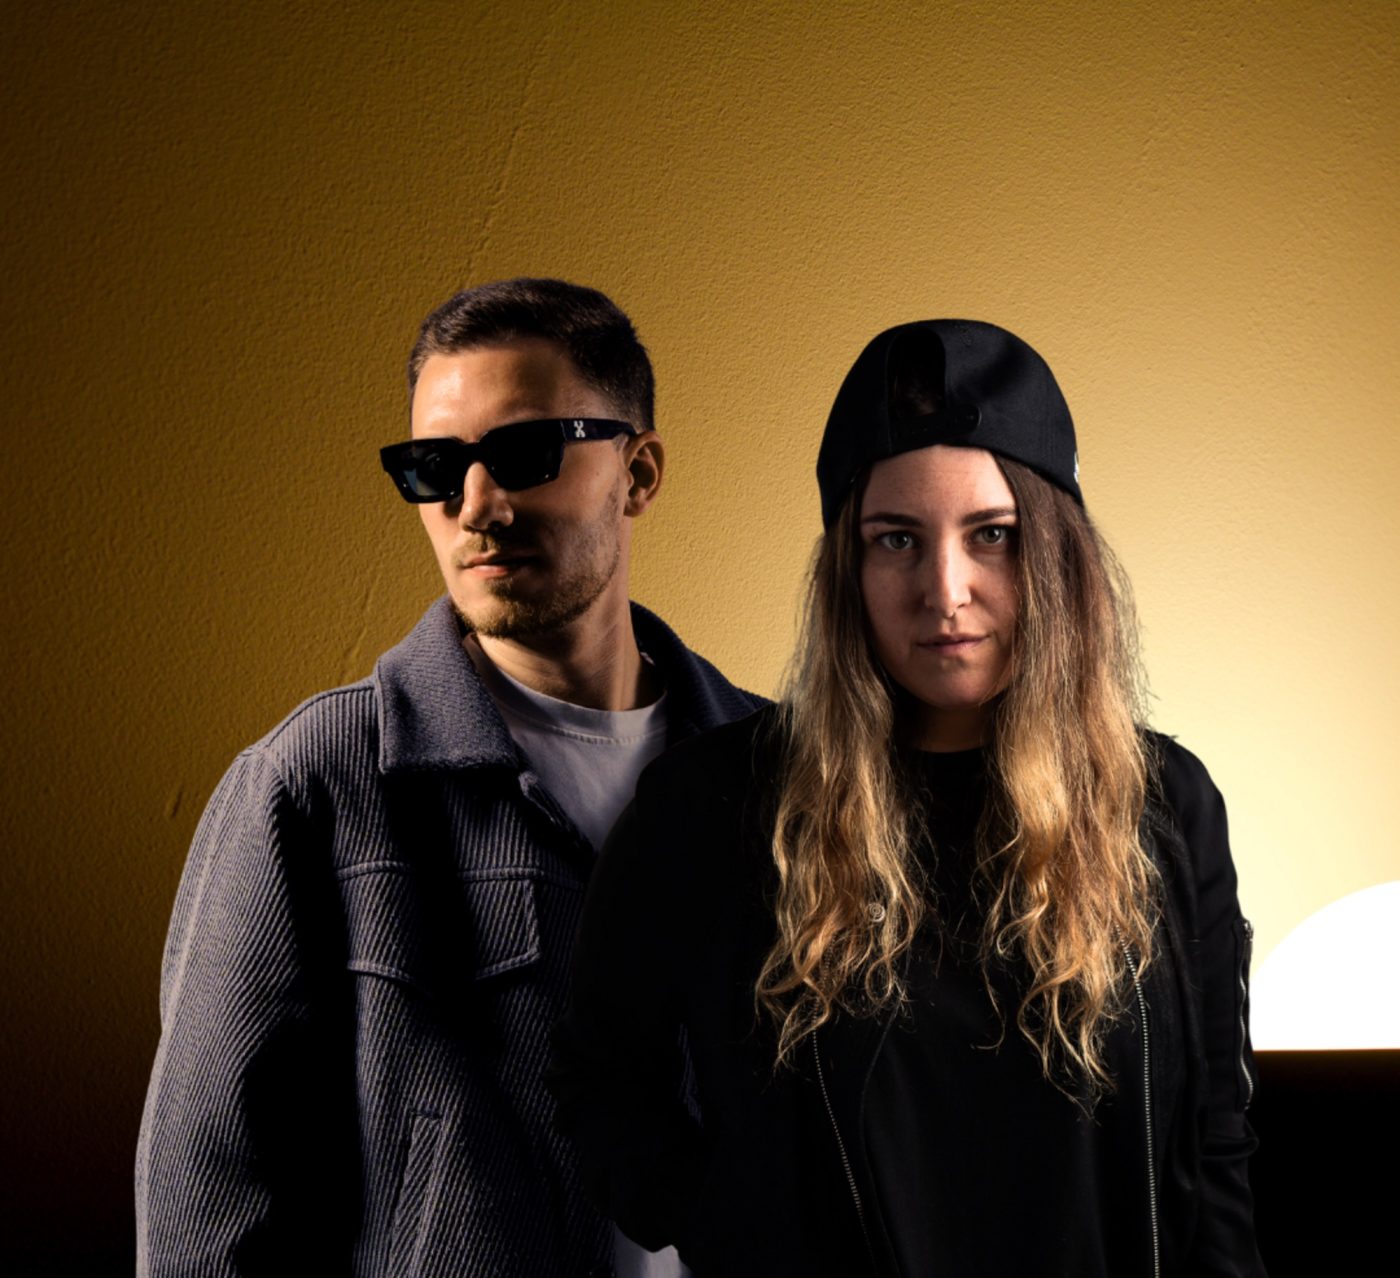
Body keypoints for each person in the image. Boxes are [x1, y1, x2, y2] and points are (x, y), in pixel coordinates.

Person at [550, 319, 1268, 1276]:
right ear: (846, 568)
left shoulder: (1166, 806)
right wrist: (733, 1229)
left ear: (1056, 555)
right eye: (896, 539)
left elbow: (1214, 1144)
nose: (945, 589)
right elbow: (600, 1083)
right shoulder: (712, 807)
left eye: (993, 536)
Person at [136, 278, 763, 1276]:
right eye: (433, 468)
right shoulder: (318, 783)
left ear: (638, 473)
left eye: (524, 454)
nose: (477, 507)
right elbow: (207, 1215)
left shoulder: (790, 776)